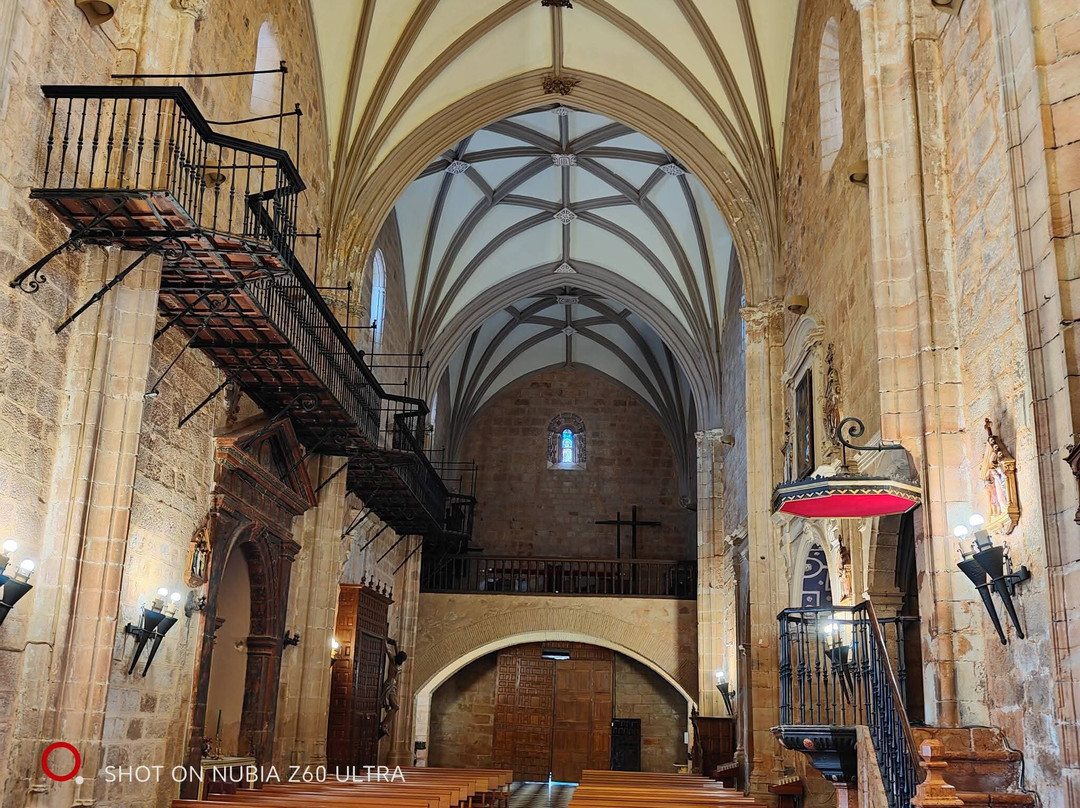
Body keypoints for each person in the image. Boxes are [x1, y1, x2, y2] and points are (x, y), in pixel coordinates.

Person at [378, 637, 408, 739]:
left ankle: (384, 724)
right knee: (396, 706)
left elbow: (397, 651)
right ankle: (384, 724)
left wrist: (395, 644)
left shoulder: (397, 662)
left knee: (396, 707)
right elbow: (387, 650)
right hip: (389, 686)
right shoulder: (392, 660)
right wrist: (384, 639)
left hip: (393, 687)